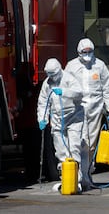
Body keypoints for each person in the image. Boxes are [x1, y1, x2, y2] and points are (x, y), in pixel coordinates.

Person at [65, 38, 109, 190]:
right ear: (78, 52)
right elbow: (65, 87)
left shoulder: (99, 66)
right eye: (84, 52)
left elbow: (107, 88)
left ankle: (86, 174)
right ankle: (80, 177)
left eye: (89, 52)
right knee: (80, 142)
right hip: (77, 110)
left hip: (95, 109)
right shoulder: (71, 67)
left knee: (91, 145)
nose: (87, 55)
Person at [37, 58, 84, 192]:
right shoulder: (47, 84)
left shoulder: (69, 79)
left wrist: (64, 92)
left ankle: (77, 180)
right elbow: (43, 102)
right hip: (57, 120)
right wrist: (42, 118)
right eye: (49, 74)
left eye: (53, 74)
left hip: (74, 118)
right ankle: (65, 179)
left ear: (59, 71)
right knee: (61, 150)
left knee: (74, 147)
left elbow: (79, 92)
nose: (51, 77)